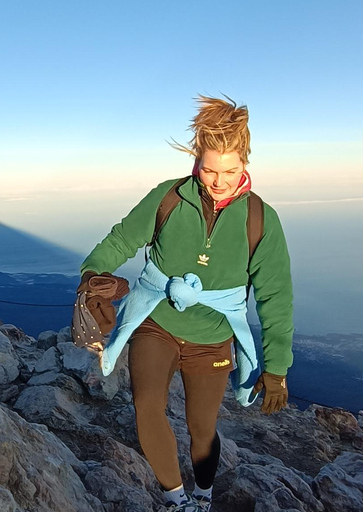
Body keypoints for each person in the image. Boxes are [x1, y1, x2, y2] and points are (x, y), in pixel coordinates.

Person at [77, 95, 294, 512]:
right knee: (147, 406)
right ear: (197, 161)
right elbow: (121, 239)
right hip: (155, 321)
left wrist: (278, 367)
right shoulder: (170, 197)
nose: (218, 180)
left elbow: (276, 295)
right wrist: (92, 273)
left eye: (230, 171)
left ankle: (204, 496)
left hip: (212, 339)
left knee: (202, 427)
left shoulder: (260, 220)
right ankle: (177, 503)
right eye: (209, 169)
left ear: (245, 163)